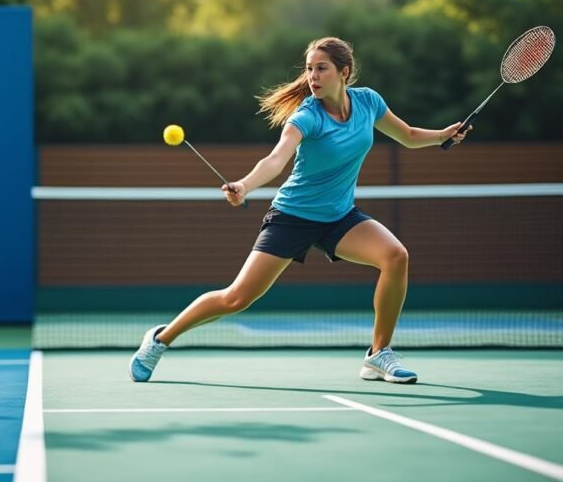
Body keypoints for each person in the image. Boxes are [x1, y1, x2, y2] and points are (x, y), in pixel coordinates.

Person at [129, 37, 471, 385]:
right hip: (292, 218)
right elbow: (276, 159)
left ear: (344, 72)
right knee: (236, 298)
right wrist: (245, 185)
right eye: (309, 69)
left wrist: (441, 135)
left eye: (321, 68)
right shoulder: (307, 116)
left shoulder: (368, 102)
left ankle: (378, 354)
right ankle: (160, 339)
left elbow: (408, 135)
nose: (313, 76)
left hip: (339, 217)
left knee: (396, 256)